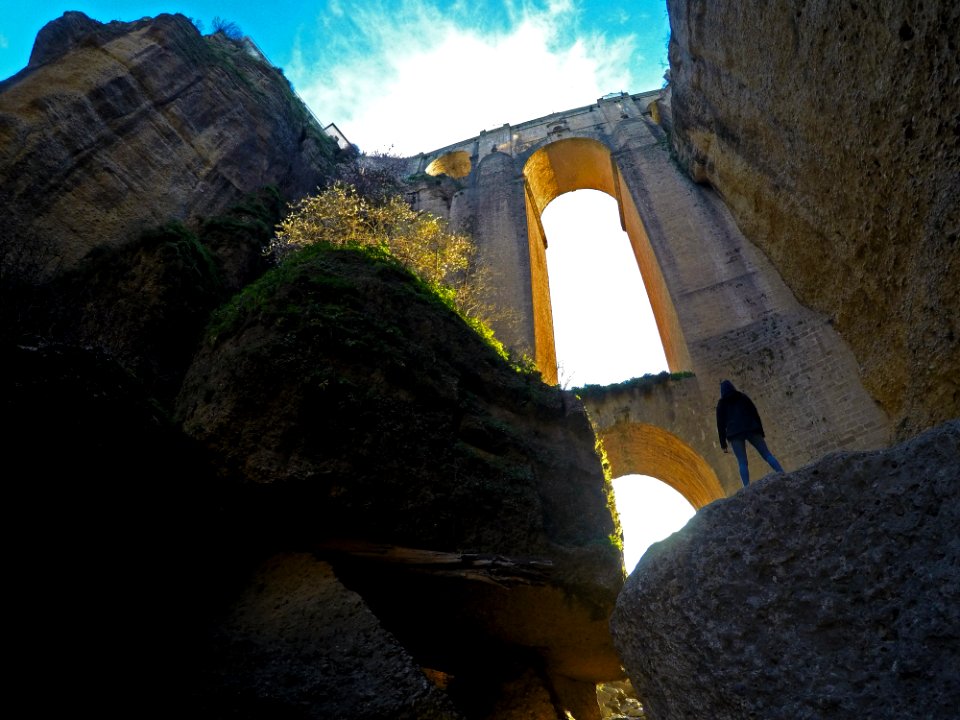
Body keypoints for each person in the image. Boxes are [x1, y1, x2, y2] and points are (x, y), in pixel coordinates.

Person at [716, 379, 785, 487]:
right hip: (751, 428)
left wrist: (723, 444)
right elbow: (754, 413)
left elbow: (720, 425)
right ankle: (781, 472)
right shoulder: (742, 397)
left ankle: (747, 487)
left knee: (742, 462)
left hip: (735, 434)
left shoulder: (722, 404)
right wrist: (761, 431)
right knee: (767, 454)